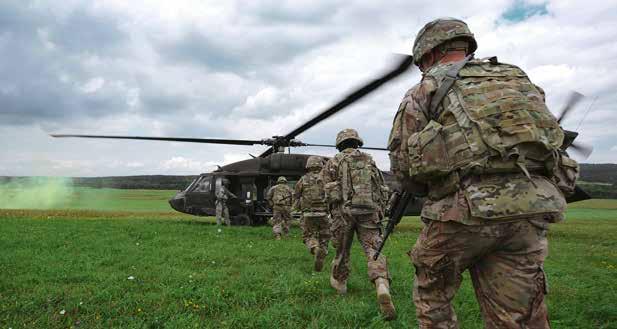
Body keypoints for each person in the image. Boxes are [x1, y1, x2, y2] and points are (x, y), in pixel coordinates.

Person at [388, 17, 579, 328]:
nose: (423, 69)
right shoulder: (518, 80)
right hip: (530, 210)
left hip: (462, 212)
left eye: (422, 62)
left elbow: (402, 167)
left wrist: (429, 190)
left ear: (431, 54)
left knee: (434, 291)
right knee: (519, 312)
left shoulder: (426, 88)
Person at [323, 128, 396, 321]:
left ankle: (340, 286)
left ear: (340, 144)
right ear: (357, 142)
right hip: (369, 212)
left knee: (342, 251)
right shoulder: (369, 160)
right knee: (374, 249)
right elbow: (381, 187)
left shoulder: (334, 162)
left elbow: (327, 192)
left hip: (343, 214)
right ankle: (381, 283)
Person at [294, 156, 331, 272]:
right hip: (324, 214)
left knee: (308, 235)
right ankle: (322, 252)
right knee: (324, 236)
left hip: (308, 214)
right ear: (321, 165)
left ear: (308, 166)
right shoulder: (326, 179)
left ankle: (315, 249)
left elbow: (296, 195)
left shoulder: (303, 179)